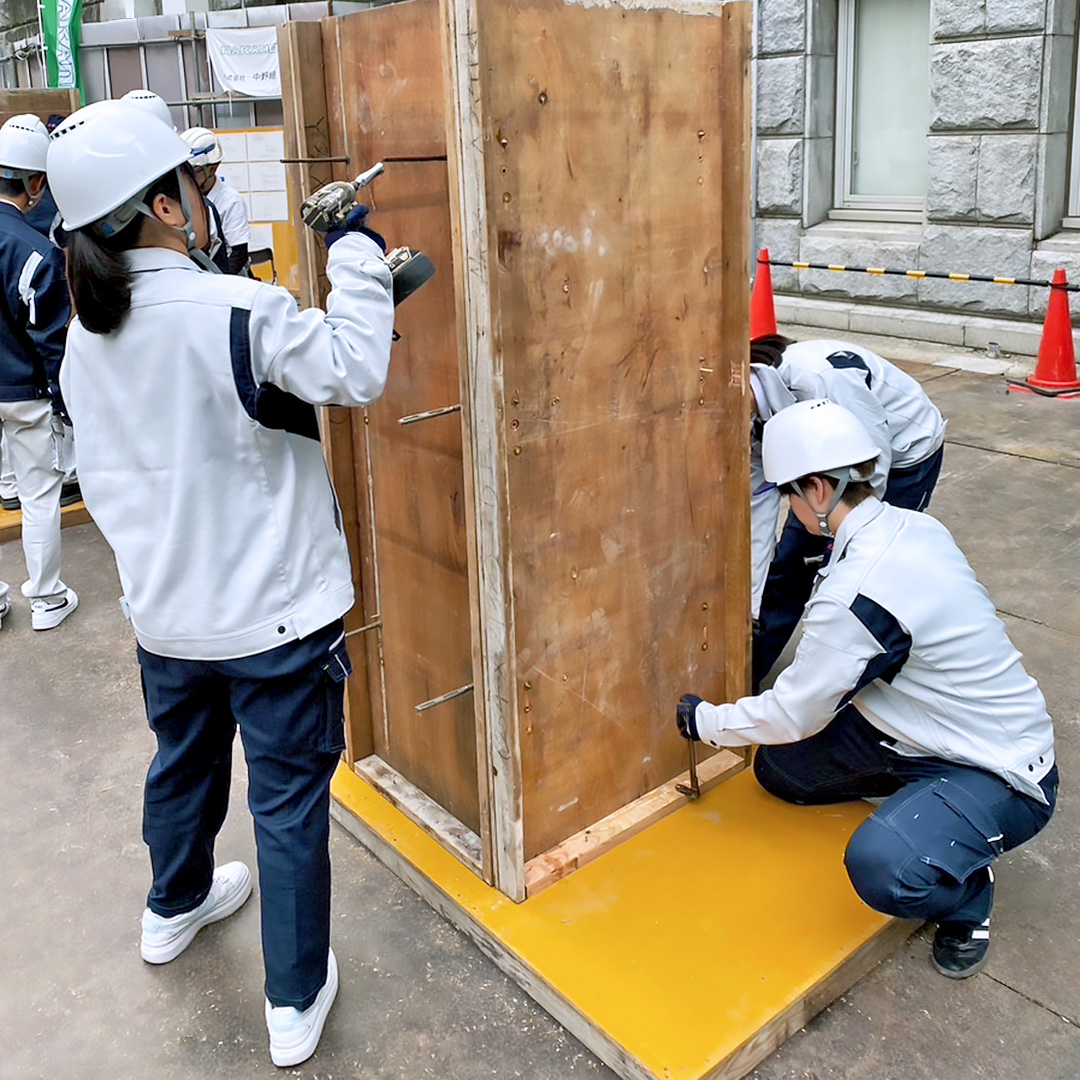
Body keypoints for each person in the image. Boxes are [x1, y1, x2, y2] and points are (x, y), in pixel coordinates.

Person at [47, 100, 394, 1065]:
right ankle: (293, 999)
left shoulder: (87, 336)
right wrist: (359, 255)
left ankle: (174, 904)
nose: (205, 201)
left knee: (184, 765)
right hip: (274, 621)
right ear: (163, 205)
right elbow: (357, 368)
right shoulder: (238, 311)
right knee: (285, 803)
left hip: (168, 619)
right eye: (194, 187)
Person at [677, 399, 1057, 979]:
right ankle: (926, 811)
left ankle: (967, 896)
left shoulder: (859, 596)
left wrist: (705, 721)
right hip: (911, 731)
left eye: (787, 494)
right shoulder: (912, 525)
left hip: (999, 765)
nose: (787, 508)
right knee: (781, 773)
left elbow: (795, 712)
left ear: (819, 490)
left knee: (885, 868)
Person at [750, 335, 947, 691]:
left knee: (876, 571)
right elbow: (759, 511)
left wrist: (842, 548)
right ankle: (750, 672)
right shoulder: (750, 423)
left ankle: (879, 673)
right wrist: (751, 604)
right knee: (793, 563)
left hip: (902, 455)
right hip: (826, 463)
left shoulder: (821, 380)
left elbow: (871, 471)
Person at [0, 114, 77, 631]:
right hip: (23, 391)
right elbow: (52, 342)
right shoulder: (35, 253)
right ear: (36, 182)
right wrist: (66, 404)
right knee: (40, 493)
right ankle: (47, 599)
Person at [181, 126, 250, 274]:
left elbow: (239, 254)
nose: (186, 178)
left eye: (192, 172)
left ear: (211, 169)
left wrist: (221, 283)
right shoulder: (182, 199)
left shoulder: (230, 201)